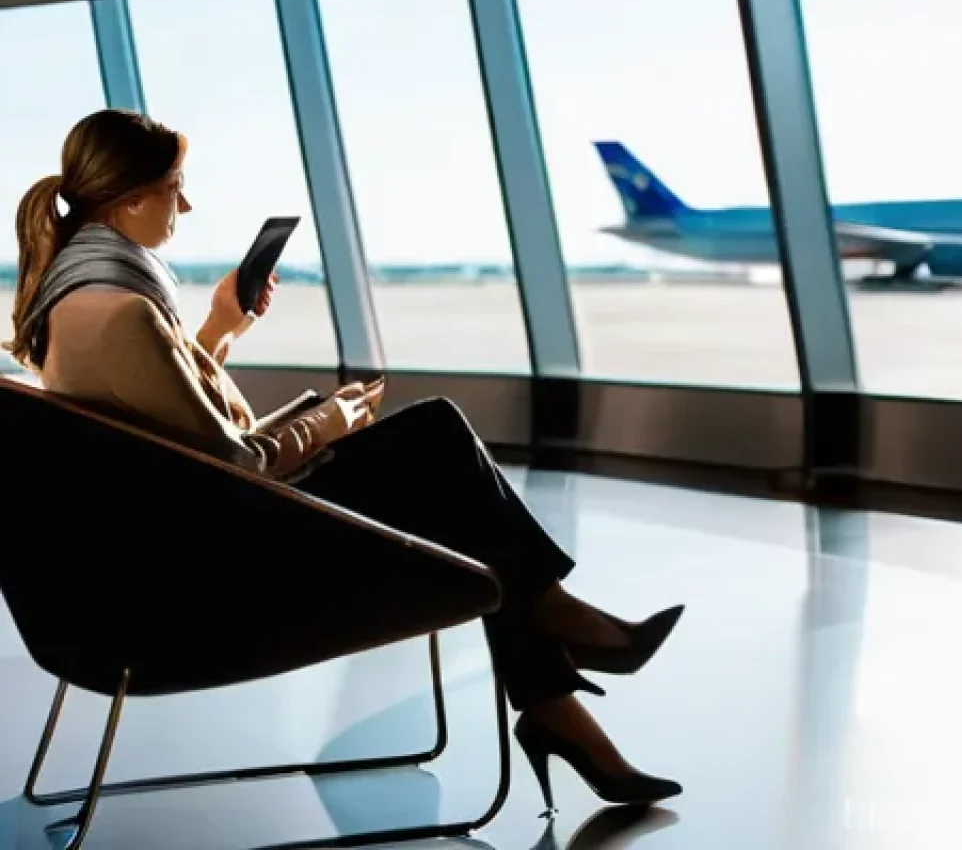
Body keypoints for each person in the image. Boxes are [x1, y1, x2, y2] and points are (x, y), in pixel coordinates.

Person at [6, 108, 684, 815]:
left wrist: (216, 329)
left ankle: (557, 688)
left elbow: (169, 438)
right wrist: (331, 420)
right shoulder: (123, 310)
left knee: (441, 466)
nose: (186, 203)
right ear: (130, 198)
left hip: (176, 543)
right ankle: (558, 644)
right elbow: (235, 463)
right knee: (435, 442)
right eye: (176, 186)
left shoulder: (80, 296)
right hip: (209, 572)